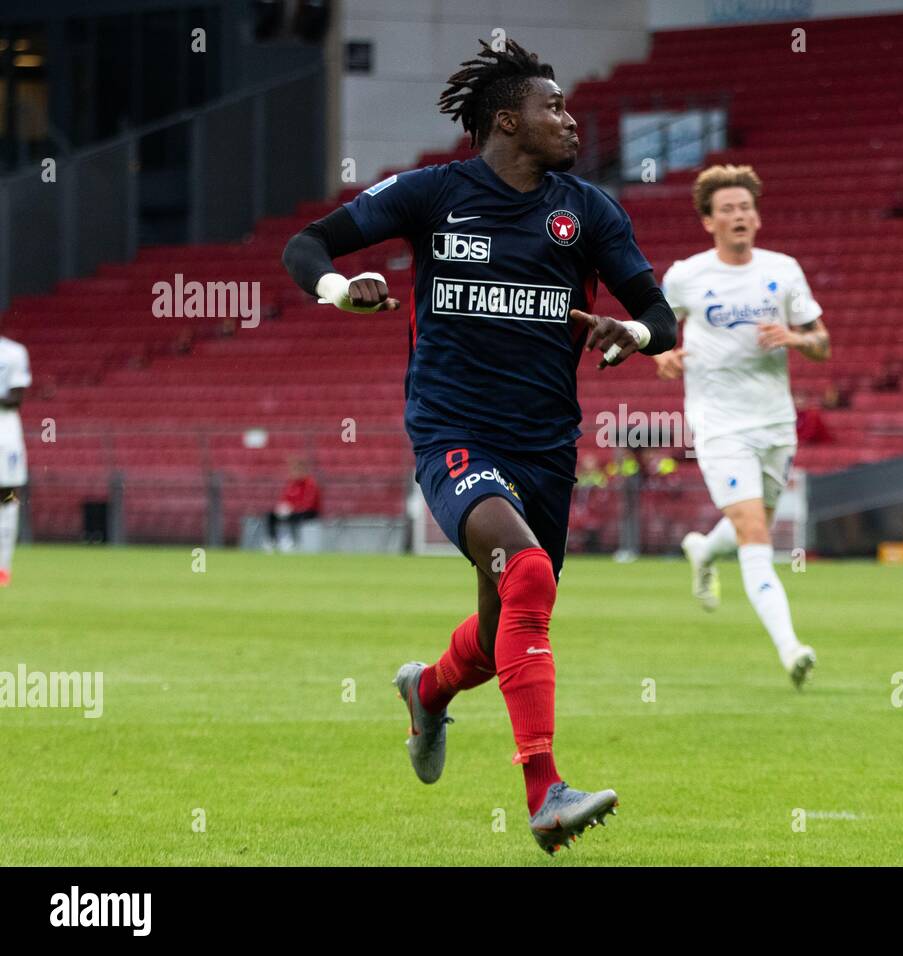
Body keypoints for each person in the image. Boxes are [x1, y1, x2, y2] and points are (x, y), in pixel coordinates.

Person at [280, 38, 676, 853]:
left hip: (546, 447)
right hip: (453, 430)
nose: (569, 119)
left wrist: (628, 330)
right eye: (553, 106)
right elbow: (306, 244)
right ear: (507, 120)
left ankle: (426, 691)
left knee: (507, 630)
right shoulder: (432, 194)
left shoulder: (588, 211)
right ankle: (545, 792)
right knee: (527, 573)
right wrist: (336, 289)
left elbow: (661, 318)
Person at [654, 164, 830, 688]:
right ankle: (791, 648)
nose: (739, 216)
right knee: (756, 533)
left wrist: (795, 339)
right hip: (719, 424)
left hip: (776, 421)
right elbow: (656, 328)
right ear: (709, 221)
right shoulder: (687, 275)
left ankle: (704, 549)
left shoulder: (784, 269)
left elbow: (821, 343)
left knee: (753, 523)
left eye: (745, 207)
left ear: (756, 216)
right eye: (727, 209)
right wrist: (661, 355)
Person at [0, 321, 31, 587]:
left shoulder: (13, 352)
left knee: (7, 497)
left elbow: (16, 396)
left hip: (5, 432)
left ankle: (2, 567)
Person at [264, 458, 321, 552]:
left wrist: (294, 508)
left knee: (292, 517)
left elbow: (309, 503)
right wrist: (283, 507)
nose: (295, 472)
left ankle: (291, 541)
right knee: (271, 515)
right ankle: (272, 541)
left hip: (309, 512)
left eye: (298, 469)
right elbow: (284, 499)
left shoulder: (310, 484)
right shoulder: (292, 484)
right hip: (292, 511)